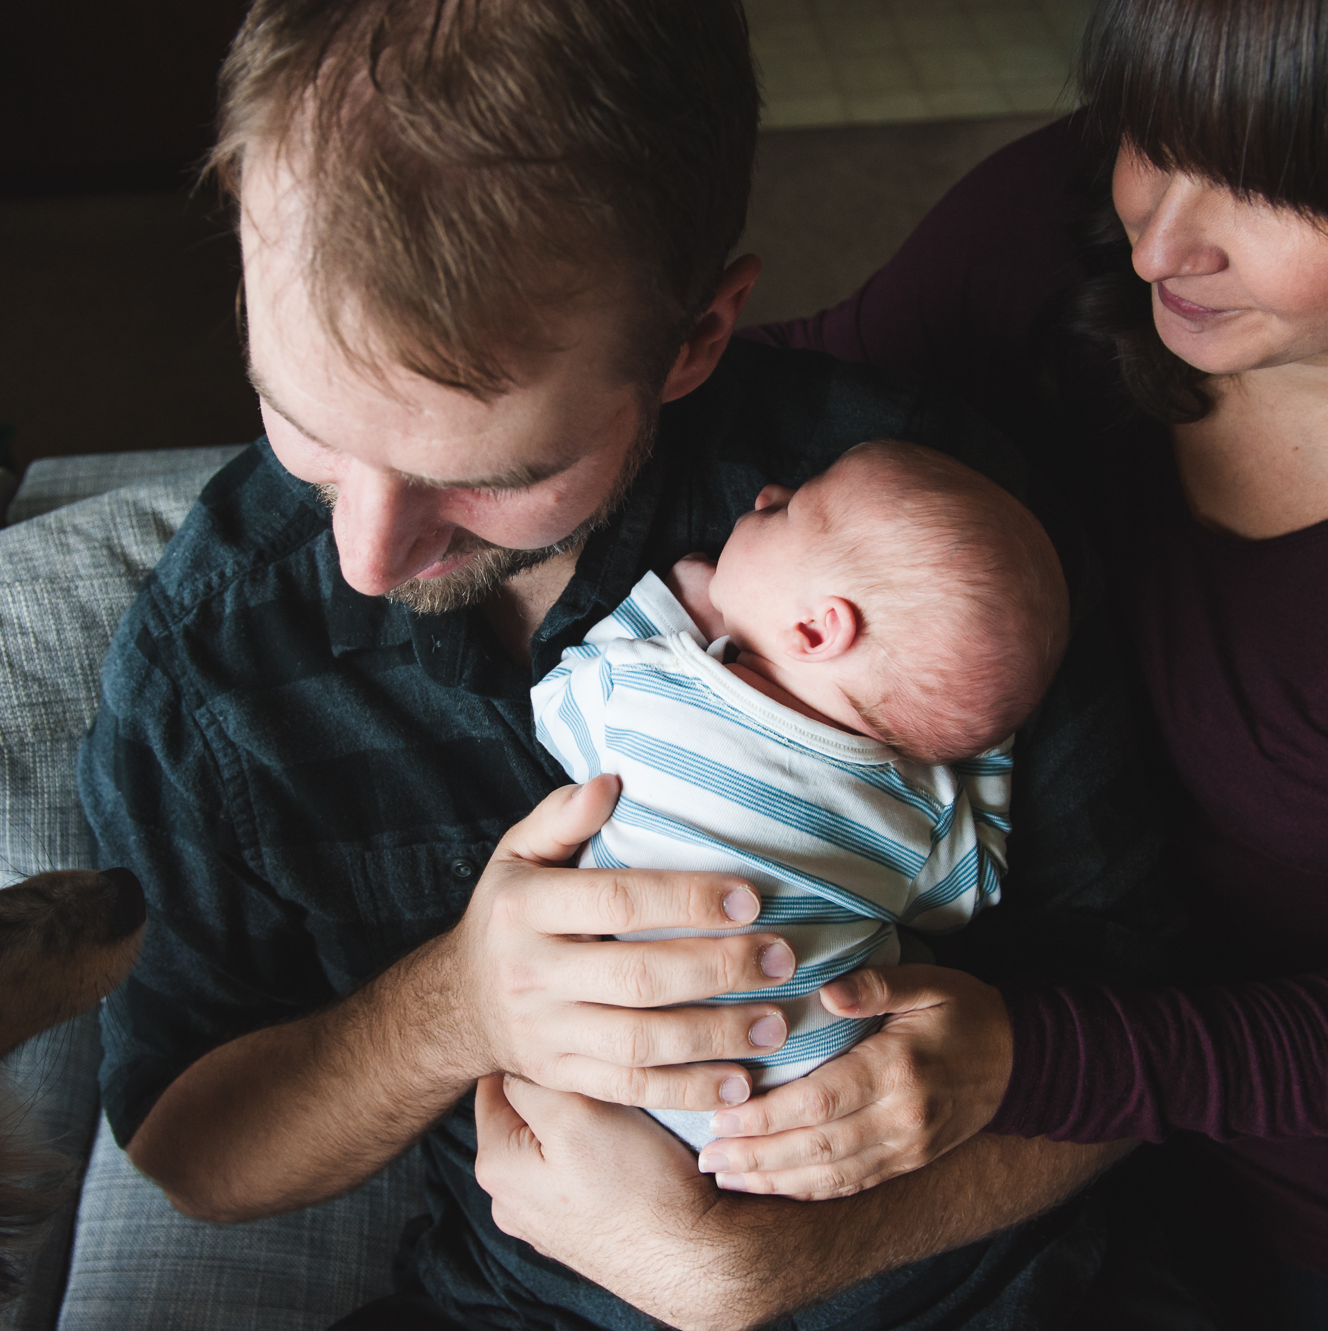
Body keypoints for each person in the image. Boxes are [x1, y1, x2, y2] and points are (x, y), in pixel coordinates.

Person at [509, 0, 1328, 1327]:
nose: (1162, 236)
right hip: (1085, 1126)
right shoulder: (1054, 228)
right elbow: (771, 409)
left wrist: (1025, 1056)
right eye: (1152, 132)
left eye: (1284, 189)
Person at [78, 2, 1200, 1329]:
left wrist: (782, 1260)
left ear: (695, 338)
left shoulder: (920, 526)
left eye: (492, 477)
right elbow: (188, 1144)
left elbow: (1162, 1043)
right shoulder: (216, 645)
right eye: (303, 422)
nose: (369, 557)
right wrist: (454, 1008)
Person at [531, 440, 1068, 1150]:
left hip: (624, 1083)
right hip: (815, 1116)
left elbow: (555, 703)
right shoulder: (917, 805)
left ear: (815, 628)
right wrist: (979, 753)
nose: (766, 494)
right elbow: (971, 890)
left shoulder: (645, 687)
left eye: (791, 509)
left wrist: (665, 610)